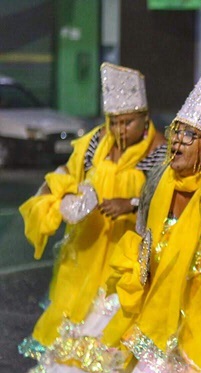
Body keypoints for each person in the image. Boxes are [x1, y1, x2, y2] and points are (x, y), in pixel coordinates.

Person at [27, 66, 201, 372]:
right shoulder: (161, 183)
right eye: (177, 132)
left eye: (191, 136)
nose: (178, 141)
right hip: (159, 327)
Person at [18, 63, 166, 360]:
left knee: (110, 328)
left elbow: (168, 200)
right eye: (115, 122)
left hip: (126, 256)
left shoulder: (160, 152)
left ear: (145, 118)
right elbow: (67, 173)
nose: (121, 131)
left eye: (129, 123)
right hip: (85, 249)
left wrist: (132, 203)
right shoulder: (95, 142)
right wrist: (64, 198)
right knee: (71, 320)